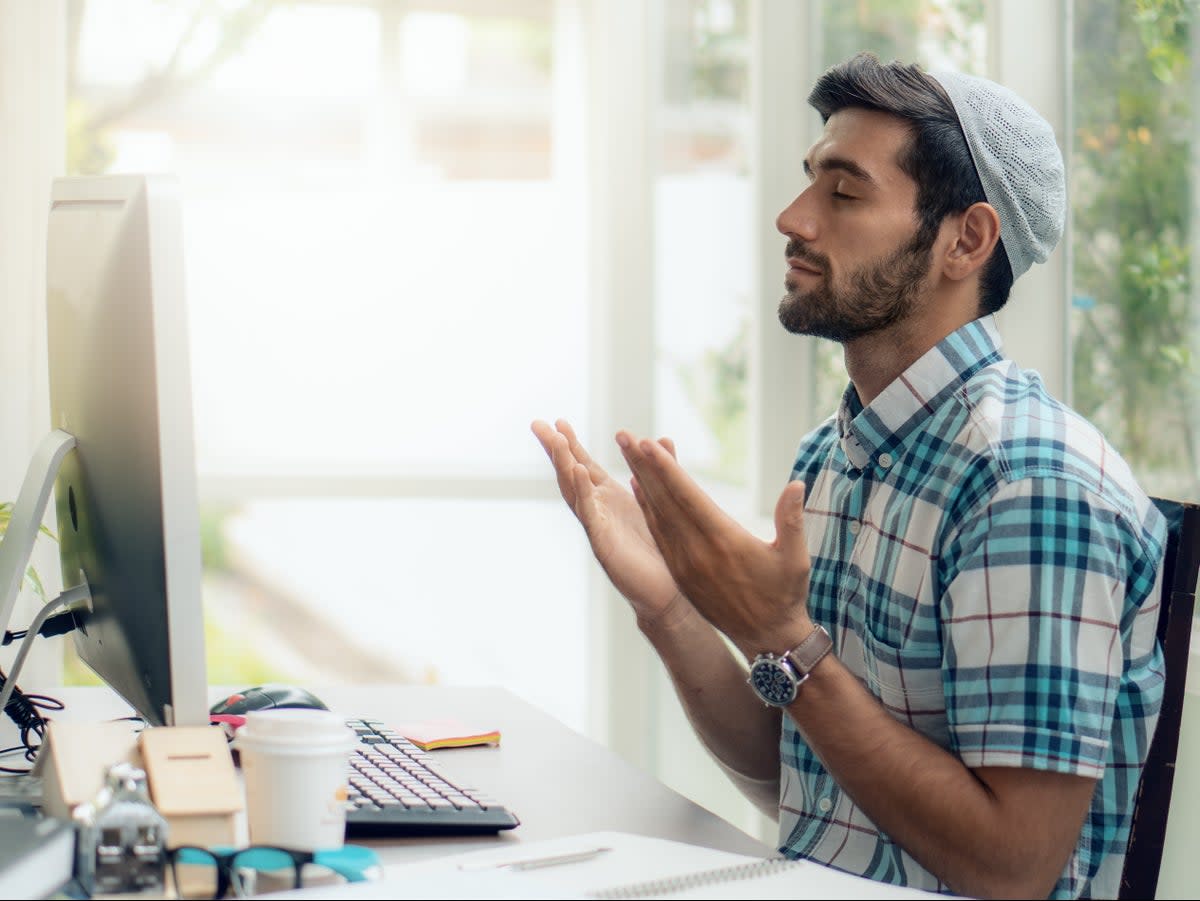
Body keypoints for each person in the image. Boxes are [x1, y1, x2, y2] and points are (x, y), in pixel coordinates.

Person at [532, 51, 1169, 900]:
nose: (793, 218)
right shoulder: (830, 455)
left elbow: (1013, 866)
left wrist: (785, 641)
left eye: (844, 191)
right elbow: (802, 782)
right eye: (808, 182)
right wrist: (672, 605)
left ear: (965, 240)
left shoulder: (1030, 485)